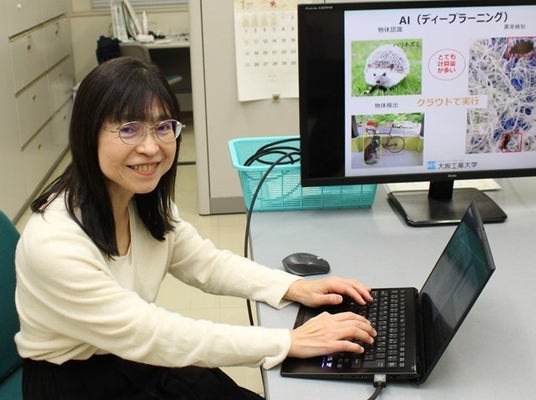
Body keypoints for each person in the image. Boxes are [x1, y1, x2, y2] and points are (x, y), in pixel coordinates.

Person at [14, 57, 376, 399]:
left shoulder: (140, 199)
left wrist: (292, 287)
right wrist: (288, 342)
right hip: (76, 382)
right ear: (87, 134)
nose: (151, 147)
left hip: (131, 357)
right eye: (128, 129)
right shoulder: (55, 243)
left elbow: (206, 263)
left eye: (163, 127)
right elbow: (153, 333)